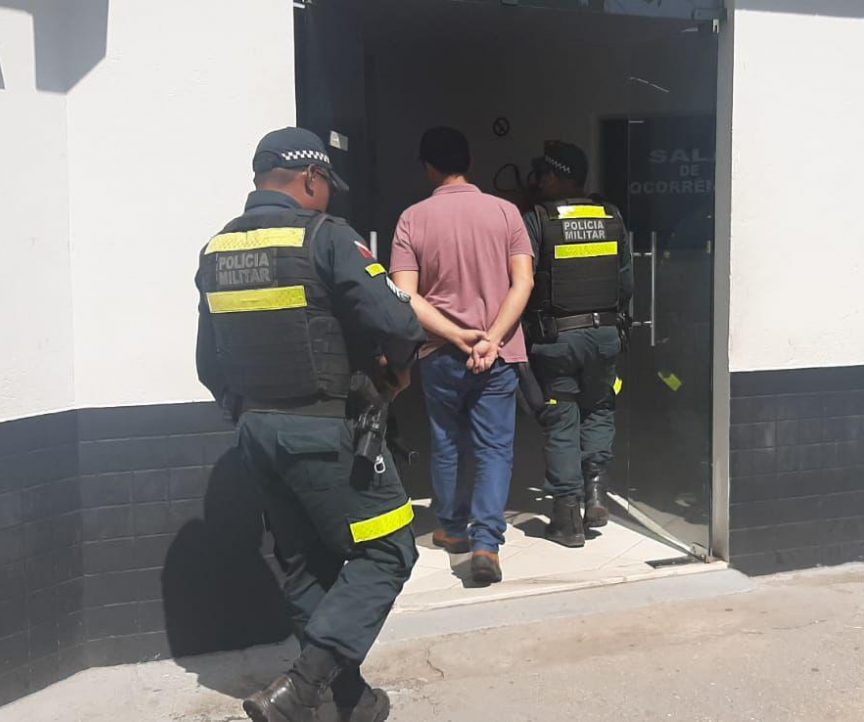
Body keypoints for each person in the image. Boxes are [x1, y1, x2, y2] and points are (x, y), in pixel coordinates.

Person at [195, 127, 426, 722]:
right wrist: (396, 374)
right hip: (325, 429)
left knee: (306, 564)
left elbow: (208, 365)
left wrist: (255, 411)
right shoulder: (326, 236)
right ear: (311, 178)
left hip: (255, 433)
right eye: (326, 184)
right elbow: (400, 324)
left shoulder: (216, 251)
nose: (327, 195)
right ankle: (300, 690)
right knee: (389, 549)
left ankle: (347, 700)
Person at [390, 127, 534, 585]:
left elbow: (404, 295)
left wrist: (457, 336)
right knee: (494, 448)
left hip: (441, 353)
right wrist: (491, 338)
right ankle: (486, 543)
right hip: (498, 354)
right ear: (468, 162)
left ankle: (452, 529)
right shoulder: (506, 212)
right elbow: (524, 282)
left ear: (428, 168)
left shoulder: (412, 219)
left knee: (448, 441)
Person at [522, 141, 634, 548]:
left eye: (542, 174)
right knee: (600, 408)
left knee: (562, 418)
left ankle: (567, 516)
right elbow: (625, 282)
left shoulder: (538, 219)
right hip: (605, 335)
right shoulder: (611, 216)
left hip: (558, 340)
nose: (538, 182)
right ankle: (596, 491)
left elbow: (522, 281)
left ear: (555, 176)